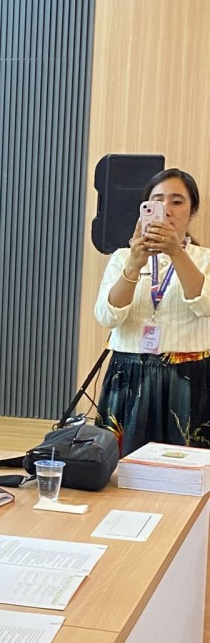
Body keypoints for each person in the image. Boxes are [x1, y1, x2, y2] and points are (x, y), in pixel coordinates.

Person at [95, 168, 210, 457]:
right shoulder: (123, 257)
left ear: (192, 210)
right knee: (122, 470)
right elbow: (107, 317)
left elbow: (205, 306)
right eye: (157, 201)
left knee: (184, 470)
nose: (167, 209)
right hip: (127, 375)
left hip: (188, 378)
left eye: (177, 201)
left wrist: (176, 253)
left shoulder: (205, 259)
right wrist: (134, 265)